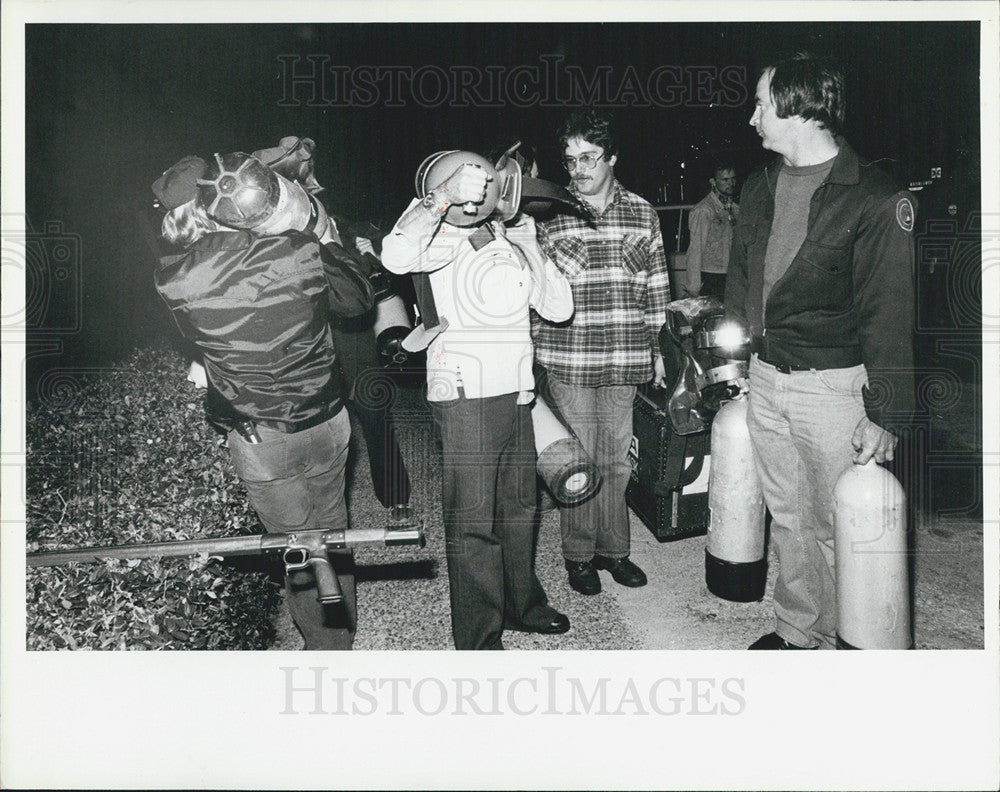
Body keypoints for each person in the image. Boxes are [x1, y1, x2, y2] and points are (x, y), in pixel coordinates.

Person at [725, 52, 916, 649]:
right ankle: (798, 628)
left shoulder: (877, 199)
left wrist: (885, 413)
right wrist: (737, 364)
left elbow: (891, 312)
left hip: (834, 389)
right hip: (766, 377)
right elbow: (740, 282)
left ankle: (851, 643)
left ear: (800, 109)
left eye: (760, 103)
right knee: (787, 517)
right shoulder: (758, 188)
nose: (752, 118)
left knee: (842, 525)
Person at [151, 154, 375, 650]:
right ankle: (342, 636)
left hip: (260, 440)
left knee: (295, 548)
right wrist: (322, 232)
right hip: (326, 422)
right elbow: (357, 301)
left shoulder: (173, 280)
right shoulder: (296, 250)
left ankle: (325, 650)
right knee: (333, 531)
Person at [381, 157, 574, 650]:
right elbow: (395, 256)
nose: (482, 188)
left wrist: (531, 247)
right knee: (472, 522)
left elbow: (559, 307)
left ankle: (521, 605)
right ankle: (479, 637)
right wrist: (441, 199)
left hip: (517, 394)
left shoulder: (507, 237)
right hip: (465, 395)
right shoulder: (435, 235)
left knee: (518, 508)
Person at [534, 110, 671, 596]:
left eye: (589, 157)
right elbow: (535, 290)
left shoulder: (643, 213)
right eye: (570, 160)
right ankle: (578, 557)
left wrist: (660, 351)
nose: (578, 168)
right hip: (569, 361)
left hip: (626, 359)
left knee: (617, 462)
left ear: (611, 158)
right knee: (579, 463)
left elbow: (656, 287)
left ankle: (615, 552)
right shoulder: (549, 213)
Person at [683, 162, 739, 299]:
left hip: (732, 276)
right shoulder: (704, 210)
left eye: (733, 179)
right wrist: (693, 287)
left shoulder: (735, 209)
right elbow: (695, 249)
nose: (730, 183)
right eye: (725, 179)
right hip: (711, 278)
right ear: (713, 182)